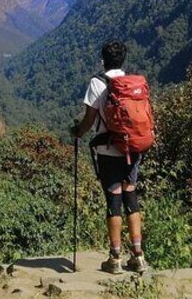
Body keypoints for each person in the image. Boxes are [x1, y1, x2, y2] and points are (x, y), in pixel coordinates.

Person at [72, 40, 148, 274]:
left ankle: (114, 258)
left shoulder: (98, 83)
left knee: (113, 200)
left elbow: (88, 120)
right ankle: (138, 256)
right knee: (131, 197)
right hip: (133, 149)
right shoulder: (131, 84)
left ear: (102, 60)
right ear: (122, 60)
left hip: (108, 150)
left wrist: (76, 132)